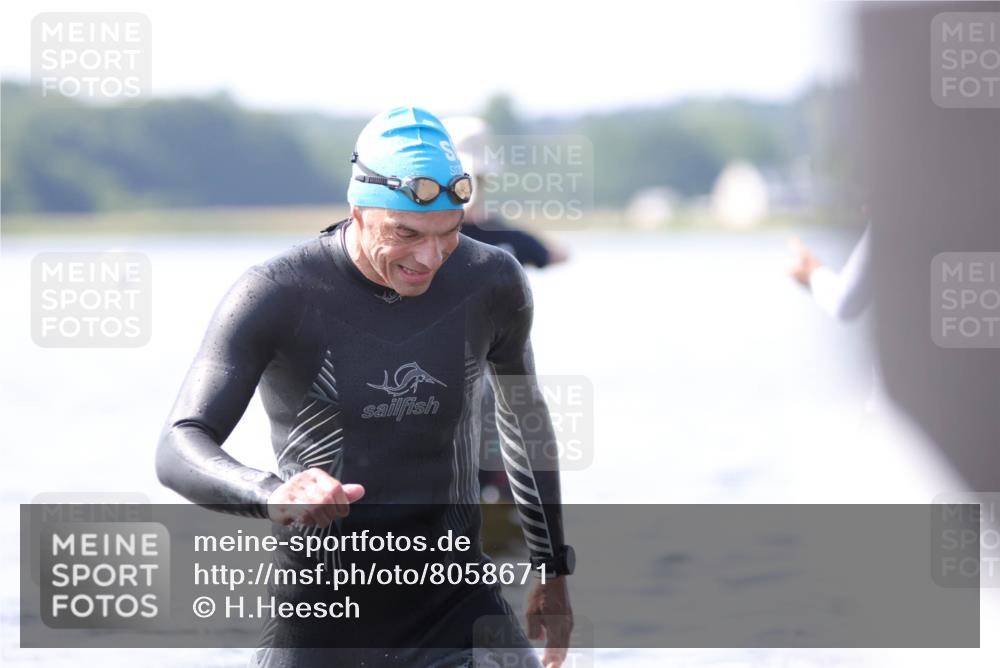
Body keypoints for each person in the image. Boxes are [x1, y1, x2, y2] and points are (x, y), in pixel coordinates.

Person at [156, 107, 575, 667]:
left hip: (456, 601)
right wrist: (271, 492)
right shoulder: (278, 293)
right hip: (325, 618)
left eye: (447, 234)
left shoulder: (490, 280)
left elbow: (524, 420)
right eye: (406, 233)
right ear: (358, 210)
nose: (428, 258)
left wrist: (552, 570)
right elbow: (180, 442)